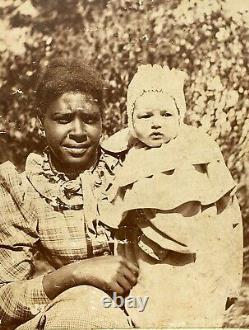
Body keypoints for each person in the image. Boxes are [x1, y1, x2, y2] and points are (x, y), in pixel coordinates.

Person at [100, 64, 243, 328]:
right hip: (145, 255)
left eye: (166, 114)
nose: (156, 123)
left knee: (194, 308)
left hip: (196, 252)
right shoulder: (128, 154)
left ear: (180, 115)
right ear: (131, 120)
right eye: (144, 116)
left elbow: (225, 211)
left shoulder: (198, 148)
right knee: (150, 308)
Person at [0, 58, 139, 329]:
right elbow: (3, 303)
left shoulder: (131, 172)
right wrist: (76, 273)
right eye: (63, 119)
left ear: (102, 121)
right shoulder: (24, 189)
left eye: (89, 120)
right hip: (65, 316)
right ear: (41, 122)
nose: (78, 132)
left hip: (144, 310)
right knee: (82, 311)